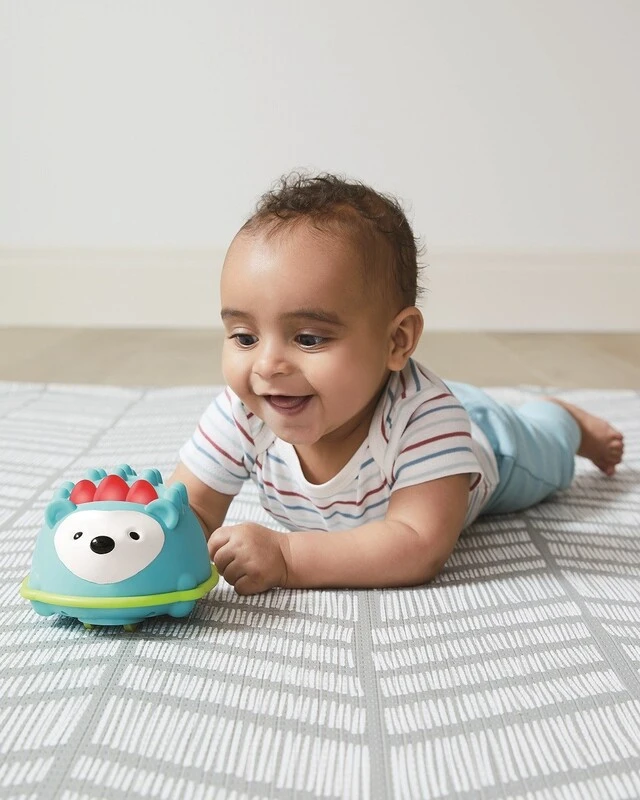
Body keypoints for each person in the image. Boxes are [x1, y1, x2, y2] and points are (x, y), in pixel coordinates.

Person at [170, 173, 624, 595]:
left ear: (397, 341)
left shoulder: (427, 420)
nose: (267, 365)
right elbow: (192, 510)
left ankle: (563, 417)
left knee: (547, 448)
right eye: (245, 337)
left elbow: (417, 544)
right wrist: (152, 538)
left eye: (308, 339)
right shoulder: (243, 412)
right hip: (392, 394)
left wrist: (288, 556)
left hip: (491, 443)